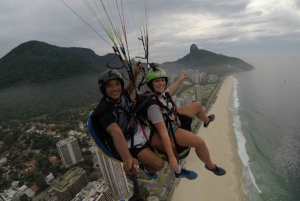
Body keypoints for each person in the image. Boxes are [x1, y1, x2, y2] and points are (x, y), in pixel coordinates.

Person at [145, 67, 226, 176]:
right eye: (157, 81)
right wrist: (171, 156)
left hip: (173, 116)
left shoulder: (160, 94)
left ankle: (206, 121)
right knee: (200, 143)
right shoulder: (153, 107)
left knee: (197, 105)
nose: (161, 83)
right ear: (150, 84)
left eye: (162, 80)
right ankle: (211, 166)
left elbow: (169, 90)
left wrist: (180, 80)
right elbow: (163, 132)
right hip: (171, 129)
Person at [91, 64, 164, 178]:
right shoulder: (104, 112)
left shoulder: (122, 95)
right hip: (130, 141)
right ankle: (146, 168)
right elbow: (116, 133)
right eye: (109, 86)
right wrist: (127, 158)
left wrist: (135, 74)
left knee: (168, 145)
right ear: (103, 89)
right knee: (159, 164)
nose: (115, 88)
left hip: (139, 129)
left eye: (117, 84)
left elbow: (129, 89)